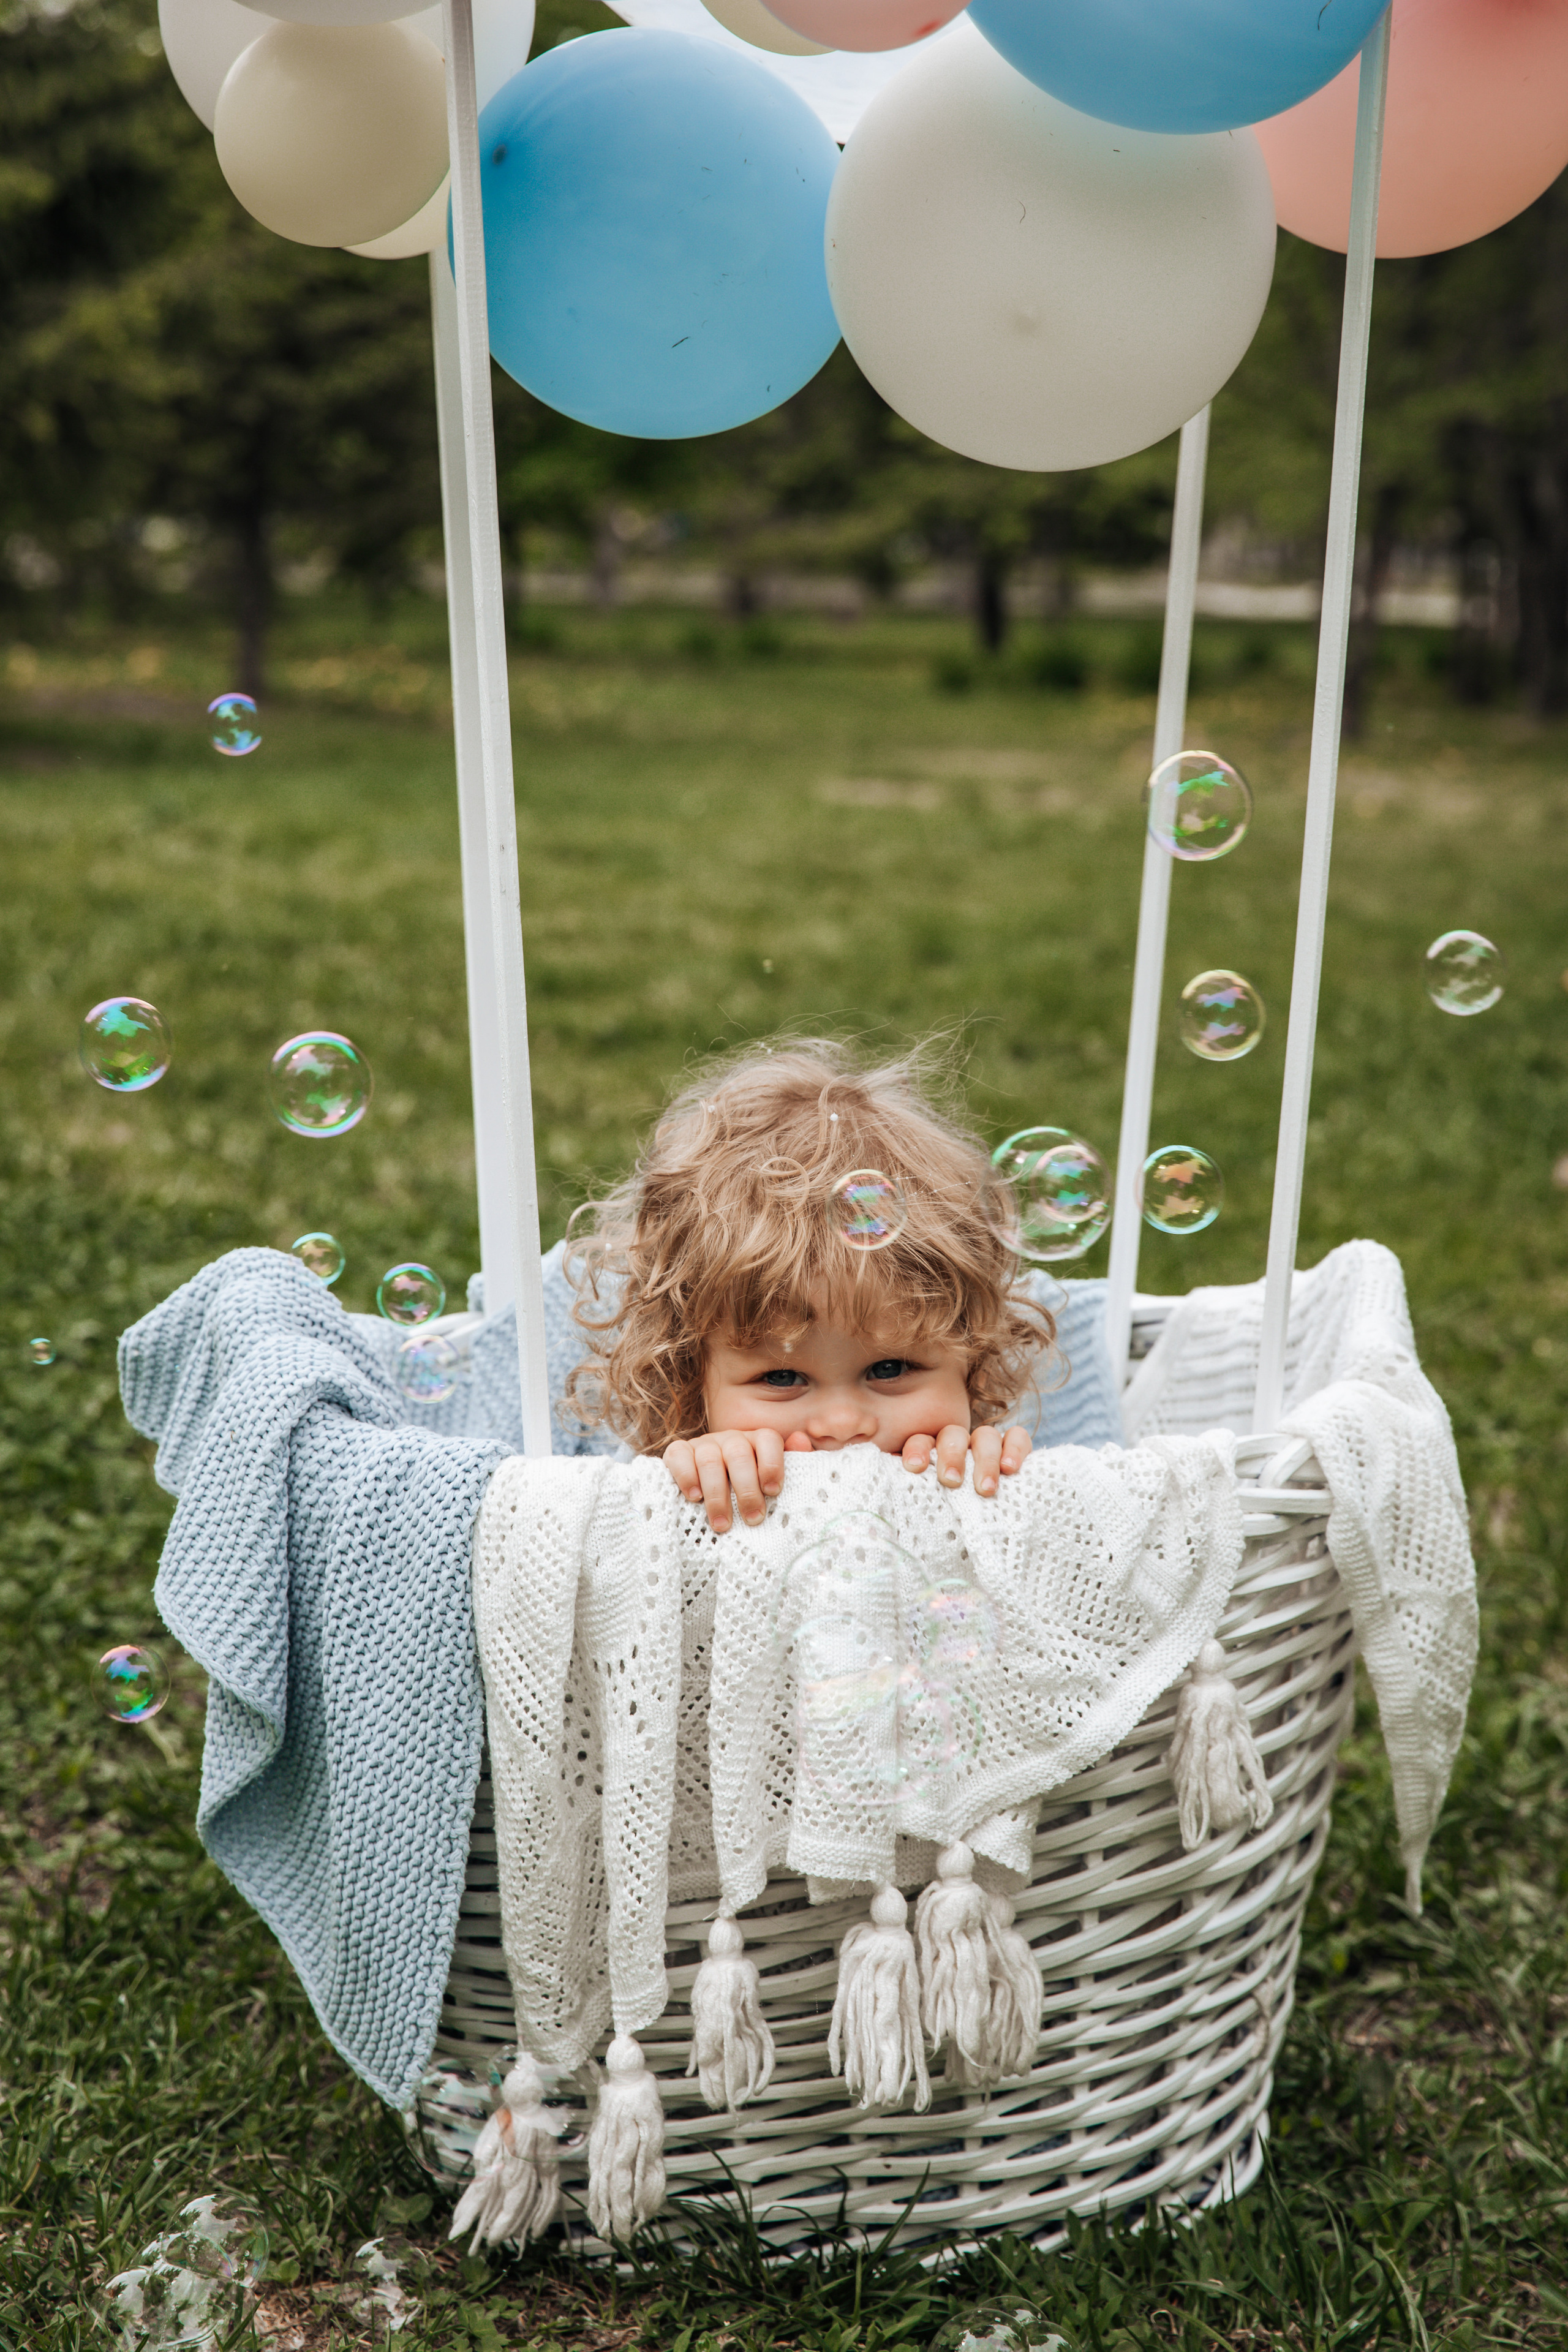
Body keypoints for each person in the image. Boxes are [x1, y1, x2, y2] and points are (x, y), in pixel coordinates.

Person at [564, 1038, 1055, 1532]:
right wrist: (691, 1483)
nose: (843, 1425)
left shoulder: (966, 1470)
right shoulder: (679, 1481)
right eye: (781, 1378)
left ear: (973, 1367)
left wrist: (1001, 1484)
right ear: (689, 1384)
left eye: (890, 1368)